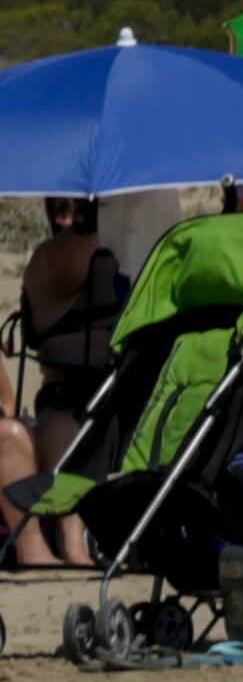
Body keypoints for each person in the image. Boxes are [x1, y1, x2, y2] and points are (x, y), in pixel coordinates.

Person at [12, 198, 121, 569]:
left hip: (123, 388)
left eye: (70, 208)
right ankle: (71, 538)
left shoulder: (113, 249)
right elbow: (79, 253)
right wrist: (95, 211)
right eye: (57, 207)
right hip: (68, 394)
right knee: (57, 427)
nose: (62, 217)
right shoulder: (48, 262)